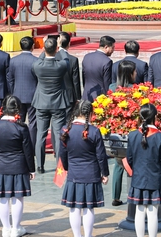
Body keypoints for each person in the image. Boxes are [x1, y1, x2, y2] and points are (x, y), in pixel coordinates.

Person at [59, 100, 109, 237]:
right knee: (88, 208)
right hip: (91, 174)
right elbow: (101, 156)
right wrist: (104, 173)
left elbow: (62, 154)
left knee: (74, 208)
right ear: (90, 114)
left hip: (74, 174)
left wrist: (67, 168)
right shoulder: (94, 131)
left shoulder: (66, 130)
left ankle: (77, 235)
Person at [0, 95, 35, 237]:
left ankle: (6, 228)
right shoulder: (21, 128)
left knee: (2, 198)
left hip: (1, 165)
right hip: (19, 166)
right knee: (18, 198)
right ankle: (16, 228)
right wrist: (31, 169)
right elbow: (28, 151)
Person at [126, 104, 161, 237]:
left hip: (138, 178)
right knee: (152, 212)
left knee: (139, 210)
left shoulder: (133, 135)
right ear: (155, 117)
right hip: (155, 179)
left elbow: (129, 158)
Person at [32, 37, 72, 173]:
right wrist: (60, 46)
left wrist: (45, 47)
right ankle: (59, 165)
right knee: (58, 134)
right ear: (56, 49)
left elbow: (40, 57)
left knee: (41, 135)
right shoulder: (61, 65)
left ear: (43, 49)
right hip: (58, 103)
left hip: (41, 103)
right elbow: (66, 57)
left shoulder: (37, 65)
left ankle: (40, 165)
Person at [108, 60, 136, 206]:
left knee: (118, 163)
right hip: (132, 130)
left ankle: (115, 197)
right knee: (133, 162)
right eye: (134, 71)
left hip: (116, 129)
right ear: (130, 74)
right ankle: (133, 194)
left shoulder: (112, 88)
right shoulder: (136, 90)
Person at [7, 37, 38, 149]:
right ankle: (32, 147)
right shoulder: (36, 61)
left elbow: (10, 79)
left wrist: (12, 93)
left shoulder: (13, 60)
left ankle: (18, 145)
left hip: (17, 96)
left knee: (17, 121)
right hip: (33, 95)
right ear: (32, 46)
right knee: (33, 123)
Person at [81, 36, 115, 101]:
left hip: (86, 95)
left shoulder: (87, 57)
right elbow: (107, 83)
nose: (113, 50)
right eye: (112, 48)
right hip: (99, 98)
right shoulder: (107, 61)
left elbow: (84, 78)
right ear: (106, 47)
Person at [58, 32, 82, 110]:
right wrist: (78, 97)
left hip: (54, 95)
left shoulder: (50, 58)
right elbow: (76, 81)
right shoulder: (73, 59)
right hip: (69, 95)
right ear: (69, 43)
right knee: (68, 120)